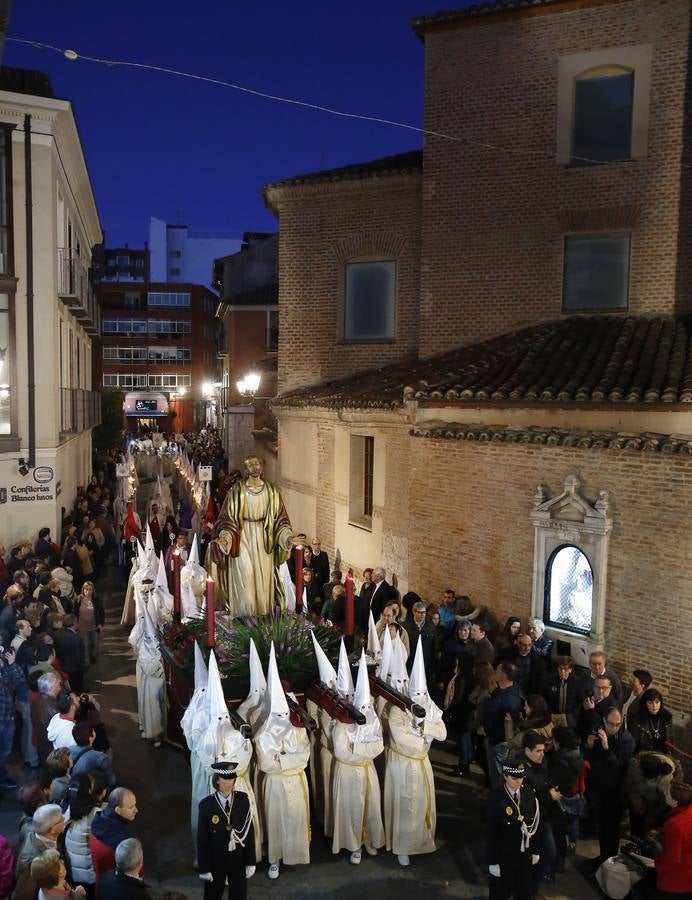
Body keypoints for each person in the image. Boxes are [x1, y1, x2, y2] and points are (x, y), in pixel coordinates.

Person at [383, 641, 447, 866]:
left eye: (422, 693)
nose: (419, 697)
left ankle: (420, 841)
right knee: (402, 804)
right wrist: (422, 737)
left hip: (421, 764)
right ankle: (401, 845)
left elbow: (442, 732)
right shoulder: (397, 711)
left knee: (420, 804)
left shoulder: (429, 707)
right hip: (402, 763)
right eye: (415, 694)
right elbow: (401, 738)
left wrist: (423, 727)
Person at [209, 455, 295, 616]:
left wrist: (287, 537)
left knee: (263, 582)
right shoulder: (237, 491)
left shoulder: (272, 491)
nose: (254, 467)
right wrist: (226, 536)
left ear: (262, 467)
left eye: (257, 464)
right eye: (251, 465)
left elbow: (280, 520)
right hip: (241, 537)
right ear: (246, 469)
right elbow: (226, 517)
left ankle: (262, 616)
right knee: (245, 575)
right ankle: (243, 616)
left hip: (264, 536)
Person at [253, 644, 310, 880]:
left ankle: (294, 853)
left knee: (296, 817)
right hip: (275, 784)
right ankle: (274, 858)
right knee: (275, 820)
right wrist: (290, 759)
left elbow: (304, 756)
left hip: (296, 781)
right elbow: (266, 764)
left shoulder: (297, 729)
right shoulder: (263, 733)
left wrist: (282, 758)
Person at [331, 651, 385, 864]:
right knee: (350, 809)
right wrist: (363, 749)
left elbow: (379, 745)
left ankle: (370, 840)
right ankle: (354, 845)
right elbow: (340, 751)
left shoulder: (373, 720)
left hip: (367, 771)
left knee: (371, 807)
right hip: (348, 773)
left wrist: (356, 748)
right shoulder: (343, 723)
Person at [197, 762, 256, 899]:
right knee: (213, 895)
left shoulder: (243, 800)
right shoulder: (207, 805)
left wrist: (250, 861)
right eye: (226, 779)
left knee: (239, 895)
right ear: (217, 780)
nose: (230, 782)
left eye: (232, 778)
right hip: (215, 860)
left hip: (237, 859)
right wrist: (204, 867)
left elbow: (249, 833)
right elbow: (202, 839)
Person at [584, 707, 635, 863]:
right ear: (604, 721)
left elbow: (617, 766)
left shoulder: (626, 740)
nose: (613, 728)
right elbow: (591, 759)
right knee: (601, 826)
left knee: (611, 829)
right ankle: (602, 856)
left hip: (615, 792)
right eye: (611, 724)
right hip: (599, 787)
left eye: (617, 724)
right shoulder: (600, 731)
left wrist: (606, 747)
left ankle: (609, 860)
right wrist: (589, 746)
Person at [485, 759, 540, 900]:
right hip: (505, 853)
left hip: (524, 851)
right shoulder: (496, 797)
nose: (518, 782)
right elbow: (491, 832)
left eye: (521, 778)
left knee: (524, 889)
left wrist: (535, 850)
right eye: (514, 778)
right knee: (500, 890)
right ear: (505, 776)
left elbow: (534, 823)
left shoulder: (528, 793)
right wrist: (493, 861)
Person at [483, 662, 524, 787]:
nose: (494, 672)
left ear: (504, 675)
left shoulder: (509, 700)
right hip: (494, 738)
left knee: (498, 774)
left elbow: (515, 721)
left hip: (499, 742)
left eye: (497, 670)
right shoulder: (504, 691)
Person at [14, 804, 66, 900]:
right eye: (61, 818)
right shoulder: (33, 861)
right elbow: (22, 895)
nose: (64, 817)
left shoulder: (47, 836)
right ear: (53, 830)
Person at [90, 788, 138, 886]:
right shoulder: (121, 840)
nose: (136, 810)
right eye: (131, 807)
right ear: (118, 810)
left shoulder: (98, 818)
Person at [654, 780, 692, 898]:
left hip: (676, 880)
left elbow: (671, 859)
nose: (664, 793)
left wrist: (658, 866)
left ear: (675, 801)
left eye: (667, 793)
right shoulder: (688, 811)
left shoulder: (674, 824)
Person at [0, 643, 25, 789]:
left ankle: (2, 776)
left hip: (8, 718)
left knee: (6, 752)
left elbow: (19, 682)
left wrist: (12, 664)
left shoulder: (4, 671)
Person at [541, 656, 582, 727]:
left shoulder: (577, 682)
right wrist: (550, 712)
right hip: (552, 716)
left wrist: (573, 715)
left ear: (570, 670)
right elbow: (543, 698)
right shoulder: (548, 680)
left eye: (565, 669)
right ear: (557, 668)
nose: (562, 671)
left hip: (570, 718)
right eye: (560, 668)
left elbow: (581, 701)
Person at [630, 687, 673, 754]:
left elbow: (671, 739)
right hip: (645, 756)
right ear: (645, 704)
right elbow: (634, 743)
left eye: (657, 702)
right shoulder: (637, 718)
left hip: (664, 755)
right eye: (650, 703)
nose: (654, 706)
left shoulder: (667, 717)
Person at [403, 601, 436, 685]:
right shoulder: (406, 626)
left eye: (424, 612)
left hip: (425, 663)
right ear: (414, 611)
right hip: (410, 663)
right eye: (420, 612)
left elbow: (434, 646)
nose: (423, 615)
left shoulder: (431, 626)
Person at [577, 674, 619, 740]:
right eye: (597, 687)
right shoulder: (590, 696)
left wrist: (591, 711)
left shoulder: (613, 706)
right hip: (582, 735)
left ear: (610, 688)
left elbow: (603, 726)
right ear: (593, 687)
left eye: (604, 688)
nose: (600, 691)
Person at [73, 583, 104, 667]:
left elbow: (101, 612)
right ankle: (87, 662)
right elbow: (74, 613)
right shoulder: (78, 599)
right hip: (81, 626)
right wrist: (75, 624)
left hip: (94, 625)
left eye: (90, 589)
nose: (88, 591)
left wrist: (101, 624)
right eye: (86, 589)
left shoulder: (96, 599)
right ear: (83, 590)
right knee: (85, 645)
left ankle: (93, 656)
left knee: (95, 643)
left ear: (93, 590)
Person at [53, 615, 85, 693]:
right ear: (74, 623)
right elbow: (79, 657)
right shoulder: (76, 638)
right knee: (76, 691)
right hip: (75, 671)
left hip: (61, 668)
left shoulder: (57, 634)